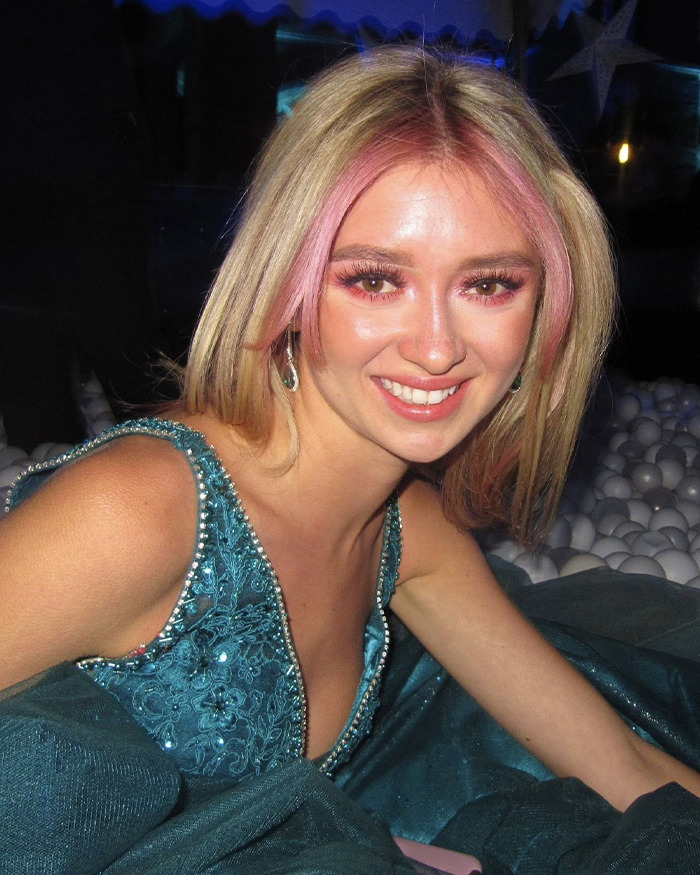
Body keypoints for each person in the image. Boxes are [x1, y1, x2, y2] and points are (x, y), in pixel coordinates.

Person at [3, 46, 700, 870]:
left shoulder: (407, 529)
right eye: (374, 280)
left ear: (547, 305)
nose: (436, 348)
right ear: (287, 283)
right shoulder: (143, 509)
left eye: (488, 285)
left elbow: (622, 766)